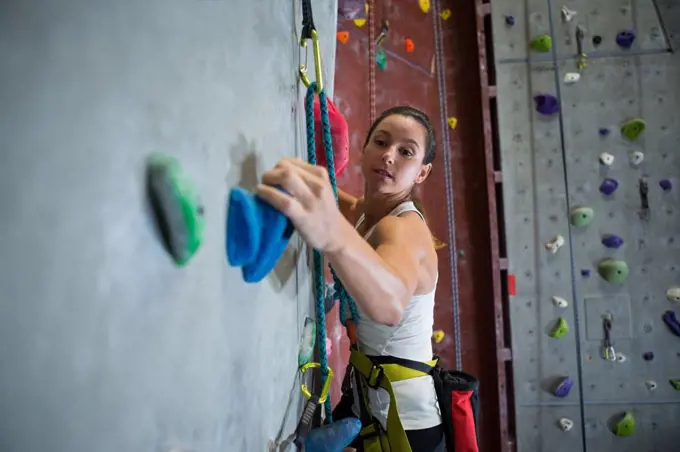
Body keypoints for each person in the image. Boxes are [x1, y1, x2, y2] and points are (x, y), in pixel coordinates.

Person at [256, 106, 443, 452]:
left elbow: (389, 305)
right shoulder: (367, 212)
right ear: (364, 148)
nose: (388, 156)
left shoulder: (403, 229)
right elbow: (336, 204)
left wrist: (331, 234)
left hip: (404, 427)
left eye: (406, 152)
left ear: (422, 172)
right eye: (381, 142)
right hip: (371, 402)